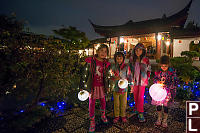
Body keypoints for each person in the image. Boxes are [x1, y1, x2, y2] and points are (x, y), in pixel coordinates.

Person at [80, 44, 111, 133]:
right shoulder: (91, 61)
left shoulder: (106, 63)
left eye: (105, 51)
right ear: (97, 51)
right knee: (92, 103)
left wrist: (108, 84)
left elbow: (107, 76)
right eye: (101, 50)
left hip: (102, 86)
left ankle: (103, 115)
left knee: (103, 101)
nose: (103, 53)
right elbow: (84, 74)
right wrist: (82, 86)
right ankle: (92, 120)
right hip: (92, 86)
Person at [152, 55, 178, 128]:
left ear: (168, 65)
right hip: (159, 92)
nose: (163, 67)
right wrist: (158, 82)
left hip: (167, 93)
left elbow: (175, 81)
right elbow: (154, 79)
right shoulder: (158, 72)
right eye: (162, 66)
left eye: (165, 66)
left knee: (166, 106)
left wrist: (167, 85)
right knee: (159, 106)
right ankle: (159, 118)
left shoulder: (172, 72)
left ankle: (165, 120)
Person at [129, 43, 151, 122]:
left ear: (143, 51)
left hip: (142, 81)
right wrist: (130, 80)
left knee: (141, 96)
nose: (138, 52)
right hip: (134, 80)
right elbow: (130, 70)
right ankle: (136, 108)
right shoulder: (132, 59)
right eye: (136, 50)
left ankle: (140, 112)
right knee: (135, 95)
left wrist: (147, 78)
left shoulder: (146, 59)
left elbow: (149, 69)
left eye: (140, 50)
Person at [110, 52, 133, 123]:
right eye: (117, 58)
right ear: (115, 59)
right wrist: (113, 77)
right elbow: (110, 76)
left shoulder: (126, 67)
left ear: (123, 59)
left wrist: (131, 86)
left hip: (124, 88)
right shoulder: (113, 67)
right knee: (116, 104)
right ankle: (116, 116)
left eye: (120, 58)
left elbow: (129, 76)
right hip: (116, 88)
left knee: (123, 103)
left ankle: (123, 115)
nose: (119, 60)